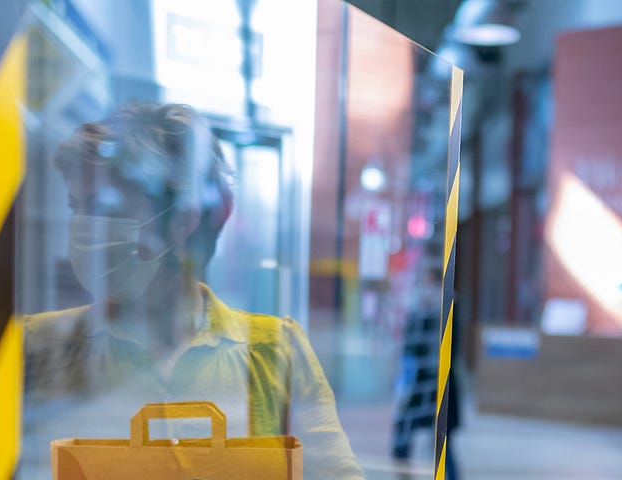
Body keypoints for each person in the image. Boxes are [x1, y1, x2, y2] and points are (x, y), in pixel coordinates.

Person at [18, 104, 364, 479]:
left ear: (182, 220)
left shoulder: (274, 351)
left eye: (107, 206)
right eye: (78, 208)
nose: (86, 227)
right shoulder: (37, 346)